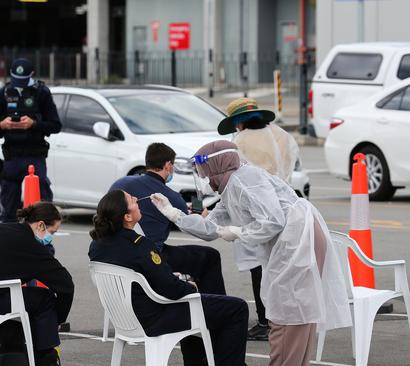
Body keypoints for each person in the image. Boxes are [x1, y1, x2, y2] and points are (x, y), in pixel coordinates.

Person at [151, 140, 351, 366]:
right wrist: (174, 214)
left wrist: (239, 232)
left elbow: (274, 220)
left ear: (217, 166)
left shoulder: (244, 180)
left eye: (206, 174)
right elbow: (210, 228)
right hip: (293, 238)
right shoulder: (230, 186)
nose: (206, 180)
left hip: (298, 237)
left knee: (288, 309)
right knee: (293, 307)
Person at [89, 190, 248, 366]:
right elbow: (171, 289)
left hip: (126, 317)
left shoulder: (97, 245)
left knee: (203, 307)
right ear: (127, 216)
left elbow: (144, 276)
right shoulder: (140, 246)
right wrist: (190, 286)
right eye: (131, 200)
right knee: (236, 308)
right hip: (154, 318)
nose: (136, 198)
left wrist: (174, 280)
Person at [217, 97, 301, 340]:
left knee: (258, 267)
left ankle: (265, 321)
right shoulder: (284, 135)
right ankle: (284, 318)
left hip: (258, 211)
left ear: (238, 123)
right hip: (289, 207)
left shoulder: (239, 142)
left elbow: (237, 177)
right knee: (282, 268)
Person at [0, 202, 74, 366]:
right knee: (44, 299)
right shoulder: (31, 246)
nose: (50, 239)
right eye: (52, 232)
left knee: (23, 298)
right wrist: (58, 320)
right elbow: (66, 286)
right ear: (40, 225)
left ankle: (11, 350)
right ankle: (46, 358)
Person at [109, 143, 226, 295]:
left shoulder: (121, 183)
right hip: (151, 256)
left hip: (118, 251)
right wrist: (200, 216)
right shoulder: (171, 197)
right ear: (168, 165)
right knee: (210, 256)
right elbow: (191, 225)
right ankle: (214, 309)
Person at [0, 58, 62, 223]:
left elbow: (55, 125)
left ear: (31, 75)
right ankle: (10, 242)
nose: (19, 84)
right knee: (9, 209)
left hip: (35, 156)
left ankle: (42, 242)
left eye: (23, 81)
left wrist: (33, 124)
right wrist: (3, 124)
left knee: (42, 205)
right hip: (12, 157)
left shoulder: (42, 92)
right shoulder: (4, 93)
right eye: (16, 81)